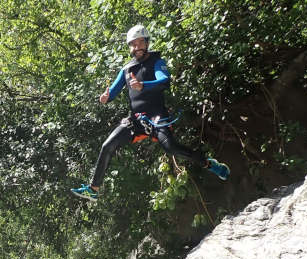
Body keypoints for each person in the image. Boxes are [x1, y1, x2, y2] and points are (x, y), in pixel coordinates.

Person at [71, 25, 229, 201]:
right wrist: (106, 98)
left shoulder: (156, 61)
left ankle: (209, 164)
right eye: (133, 44)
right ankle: (93, 189)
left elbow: (164, 80)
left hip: (157, 116)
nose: (136, 47)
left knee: (171, 148)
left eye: (140, 42)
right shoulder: (126, 70)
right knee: (107, 146)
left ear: (146, 43)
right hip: (136, 120)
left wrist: (143, 85)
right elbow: (113, 92)